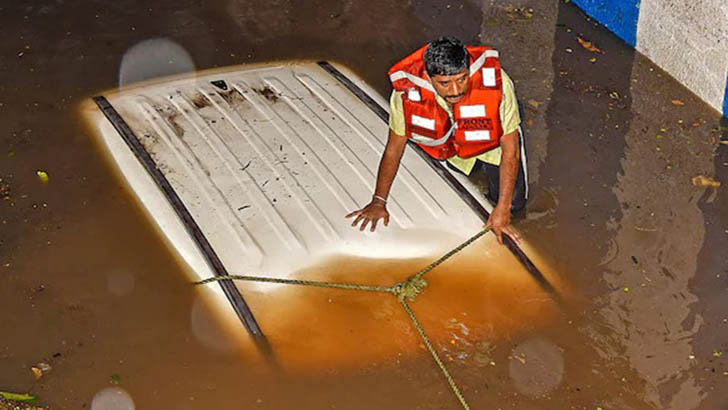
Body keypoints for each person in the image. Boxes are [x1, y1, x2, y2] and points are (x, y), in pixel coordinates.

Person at [346, 36, 527, 244]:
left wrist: (503, 208)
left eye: (462, 79)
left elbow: (510, 149)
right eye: (444, 83)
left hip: (494, 143)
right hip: (452, 145)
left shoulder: (498, 84)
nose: (456, 90)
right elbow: (394, 149)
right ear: (428, 78)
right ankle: (470, 167)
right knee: (463, 176)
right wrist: (378, 201)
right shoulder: (406, 94)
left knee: (515, 204)